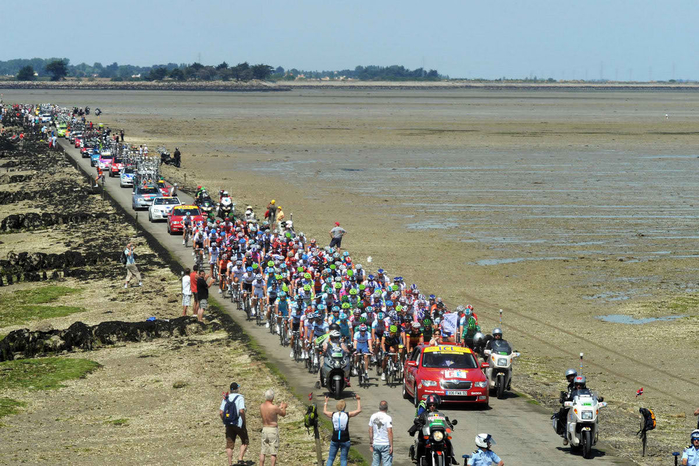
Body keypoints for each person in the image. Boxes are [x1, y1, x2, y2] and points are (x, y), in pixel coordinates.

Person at [323, 395, 361, 466]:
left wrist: (326, 402)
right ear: (344, 407)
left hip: (335, 438)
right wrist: (358, 400)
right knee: (343, 459)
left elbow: (325, 412)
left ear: (337, 407)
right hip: (345, 439)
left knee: (331, 458)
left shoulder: (333, 414)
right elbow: (358, 410)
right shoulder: (347, 414)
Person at [220, 382, 248, 466]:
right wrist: (244, 421)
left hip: (228, 424)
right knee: (245, 440)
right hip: (238, 423)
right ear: (237, 389)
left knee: (229, 444)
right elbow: (241, 411)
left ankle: (230, 463)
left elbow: (221, 412)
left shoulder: (226, 398)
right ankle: (240, 459)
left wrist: (224, 420)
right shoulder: (240, 397)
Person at [259, 388, 288, 466]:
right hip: (272, 429)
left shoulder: (262, 406)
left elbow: (272, 411)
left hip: (265, 428)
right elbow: (283, 414)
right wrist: (284, 407)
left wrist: (279, 407)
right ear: (272, 397)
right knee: (273, 452)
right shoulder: (274, 407)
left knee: (263, 451)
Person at [369, 400, 393, 466]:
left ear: (379, 407)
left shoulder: (373, 416)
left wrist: (371, 442)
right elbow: (389, 432)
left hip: (376, 443)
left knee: (375, 463)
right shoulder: (388, 418)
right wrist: (391, 445)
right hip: (385, 443)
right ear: (387, 408)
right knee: (387, 463)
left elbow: (370, 430)